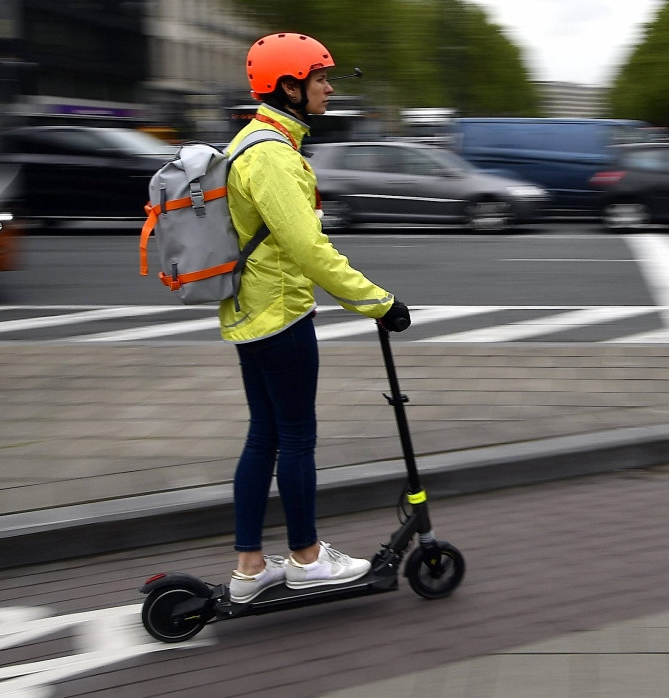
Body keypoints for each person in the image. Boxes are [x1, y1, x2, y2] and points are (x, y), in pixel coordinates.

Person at [223, 32, 411, 604]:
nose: (329, 89)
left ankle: (251, 567)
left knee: (265, 435)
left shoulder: (253, 140)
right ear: (289, 87)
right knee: (296, 437)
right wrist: (378, 302)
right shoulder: (272, 155)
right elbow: (309, 248)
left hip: (253, 312)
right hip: (280, 315)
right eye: (321, 79)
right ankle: (306, 558)